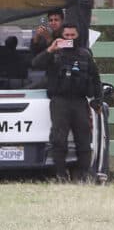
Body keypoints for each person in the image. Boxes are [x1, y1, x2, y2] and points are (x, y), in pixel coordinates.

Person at [30, 23, 102, 181]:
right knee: (59, 140)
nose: (69, 38)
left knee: (83, 139)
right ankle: (60, 174)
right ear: (61, 36)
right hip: (60, 101)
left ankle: (84, 175)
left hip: (79, 102)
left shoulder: (85, 55)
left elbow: (96, 79)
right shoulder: (54, 53)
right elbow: (35, 64)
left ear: (77, 36)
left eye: (72, 36)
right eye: (66, 35)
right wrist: (50, 49)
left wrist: (97, 100)